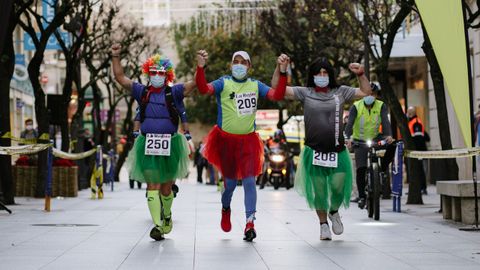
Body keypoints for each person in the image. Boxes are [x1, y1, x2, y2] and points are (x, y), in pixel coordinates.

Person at [272, 55, 372, 241]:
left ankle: (334, 211)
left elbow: (366, 92)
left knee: (337, 186)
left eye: (325, 72)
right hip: (314, 152)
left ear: (330, 75)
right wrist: (280, 69)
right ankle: (323, 224)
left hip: (337, 151)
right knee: (319, 191)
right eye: (318, 72)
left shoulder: (340, 91)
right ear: (313, 75)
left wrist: (361, 74)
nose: (322, 75)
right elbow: (278, 90)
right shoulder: (306, 92)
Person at [195, 49, 288, 241]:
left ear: (249, 66)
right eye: (235, 61)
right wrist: (200, 68)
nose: (239, 65)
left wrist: (283, 72)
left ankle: (250, 223)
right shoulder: (223, 82)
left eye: (243, 62)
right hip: (226, 142)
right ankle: (226, 207)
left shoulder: (255, 85)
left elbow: (277, 95)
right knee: (229, 185)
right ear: (231, 65)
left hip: (248, 142)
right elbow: (203, 89)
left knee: (249, 181)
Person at [112, 44, 196, 241]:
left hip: (171, 145)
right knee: (152, 186)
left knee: (166, 188)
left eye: (160, 72)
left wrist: (201, 67)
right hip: (147, 144)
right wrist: (116, 55)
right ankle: (157, 225)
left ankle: (166, 214)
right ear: (147, 73)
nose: (156, 75)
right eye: (153, 72)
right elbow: (120, 78)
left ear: (166, 74)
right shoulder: (142, 92)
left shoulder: (173, 92)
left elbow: (193, 85)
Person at [344, 82, 394, 208]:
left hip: (375, 138)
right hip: (359, 140)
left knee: (393, 145)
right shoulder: (356, 106)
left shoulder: (381, 105)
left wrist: (388, 135)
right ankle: (361, 196)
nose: (370, 96)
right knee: (361, 169)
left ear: (376, 95)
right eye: (367, 93)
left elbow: (386, 121)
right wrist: (348, 138)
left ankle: (382, 169)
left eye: (373, 94)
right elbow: (349, 124)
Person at [407, 106, 430, 195]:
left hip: (418, 150)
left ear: (412, 113)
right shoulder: (411, 122)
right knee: (416, 170)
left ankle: (422, 188)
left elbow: (418, 138)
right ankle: (418, 188)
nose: (408, 114)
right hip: (415, 151)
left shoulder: (416, 122)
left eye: (409, 112)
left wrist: (417, 152)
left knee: (420, 170)